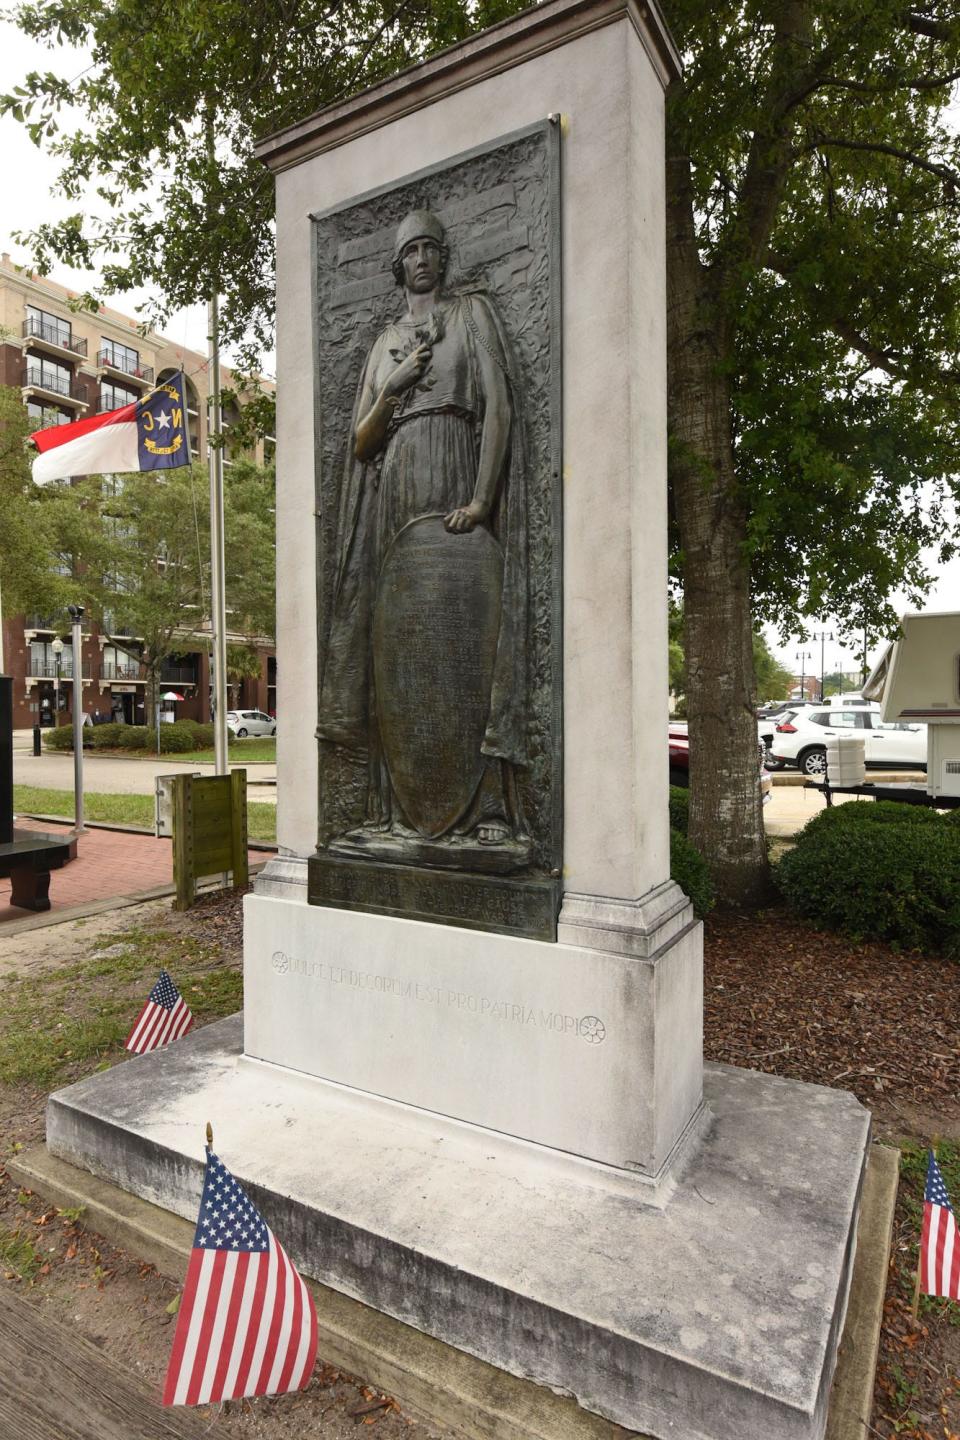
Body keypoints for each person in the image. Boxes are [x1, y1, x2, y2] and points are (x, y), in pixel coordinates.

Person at [318, 209, 528, 852]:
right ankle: (395, 809)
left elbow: (497, 408)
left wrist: (480, 499)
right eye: (411, 251)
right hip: (395, 493)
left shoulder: (472, 316)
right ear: (397, 264)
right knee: (398, 648)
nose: (421, 259)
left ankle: (485, 806)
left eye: (431, 248)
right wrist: (393, 389)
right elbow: (360, 442)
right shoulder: (383, 343)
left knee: (469, 635)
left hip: (455, 474)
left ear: (443, 256)